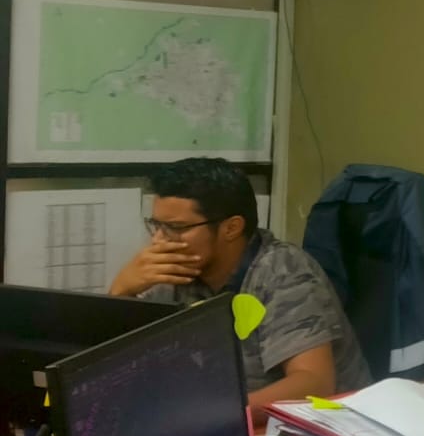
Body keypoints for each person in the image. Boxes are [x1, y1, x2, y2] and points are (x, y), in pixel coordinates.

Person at [110, 158, 371, 407]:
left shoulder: (282, 270)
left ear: (231, 228)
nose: (159, 240)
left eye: (176, 228)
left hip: (308, 428)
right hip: (219, 419)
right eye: (156, 225)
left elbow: (314, 383)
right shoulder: (173, 267)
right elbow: (118, 369)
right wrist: (122, 291)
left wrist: (215, 414)